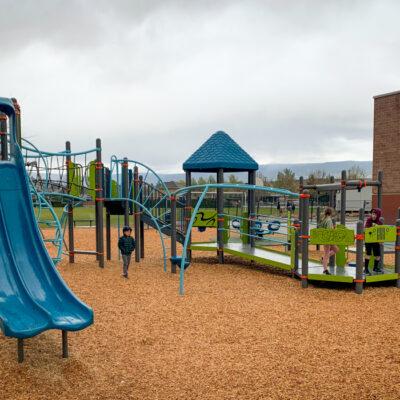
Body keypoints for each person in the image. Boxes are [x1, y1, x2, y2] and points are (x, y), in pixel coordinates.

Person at [364, 208, 383, 275]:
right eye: (372, 214)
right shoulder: (369, 220)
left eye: (375, 214)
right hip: (369, 240)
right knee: (368, 254)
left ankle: (375, 267)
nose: (373, 216)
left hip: (375, 241)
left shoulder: (380, 223)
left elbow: (381, 232)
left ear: (378, 215)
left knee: (378, 255)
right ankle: (365, 269)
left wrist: (381, 240)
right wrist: (372, 227)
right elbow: (366, 228)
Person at [320, 207, 338, 275]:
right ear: (331, 213)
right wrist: (333, 229)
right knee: (327, 253)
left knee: (336, 250)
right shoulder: (329, 220)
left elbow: (321, 228)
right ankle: (325, 269)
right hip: (328, 239)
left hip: (325, 238)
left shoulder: (324, 219)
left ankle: (323, 259)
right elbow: (329, 230)